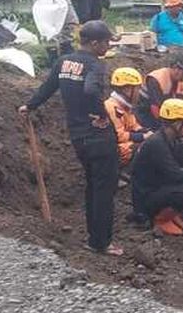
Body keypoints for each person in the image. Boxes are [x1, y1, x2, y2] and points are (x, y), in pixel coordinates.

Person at [20, 20, 122, 256]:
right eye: (106, 42)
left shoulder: (64, 61)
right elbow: (91, 91)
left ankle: (93, 237)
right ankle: (101, 243)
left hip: (78, 137)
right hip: (98, 137)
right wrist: (100, 116)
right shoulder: (95, 65)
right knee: (104, 190)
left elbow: (48, 87)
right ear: (94, 43)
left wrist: (29, 106)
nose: (108, 46)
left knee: (92, 187)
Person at [130, 98, 183, 236]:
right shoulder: (157, 143)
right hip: (147, 196)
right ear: (177, 124)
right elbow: (174, 173)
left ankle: (172, 213)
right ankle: (160, 218)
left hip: (162, 186)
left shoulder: (175, 140)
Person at [138, 46, 183, 130]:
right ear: (177, 69)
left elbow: (182, 105)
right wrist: (168, 128)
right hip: (146, 114)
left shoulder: (182, 83)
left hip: (166, 113)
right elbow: (155, 109)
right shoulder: (155, 79)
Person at [105, 67, 150, 167]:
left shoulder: (125, 105)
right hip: (114, 149)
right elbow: (119, 136)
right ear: (127, 89)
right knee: (148, 147)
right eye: (137, 88)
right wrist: (143, 137)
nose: (139, 92)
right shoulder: (112, 107)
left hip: (122, 145)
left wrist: (146, 132)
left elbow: (133, 125)